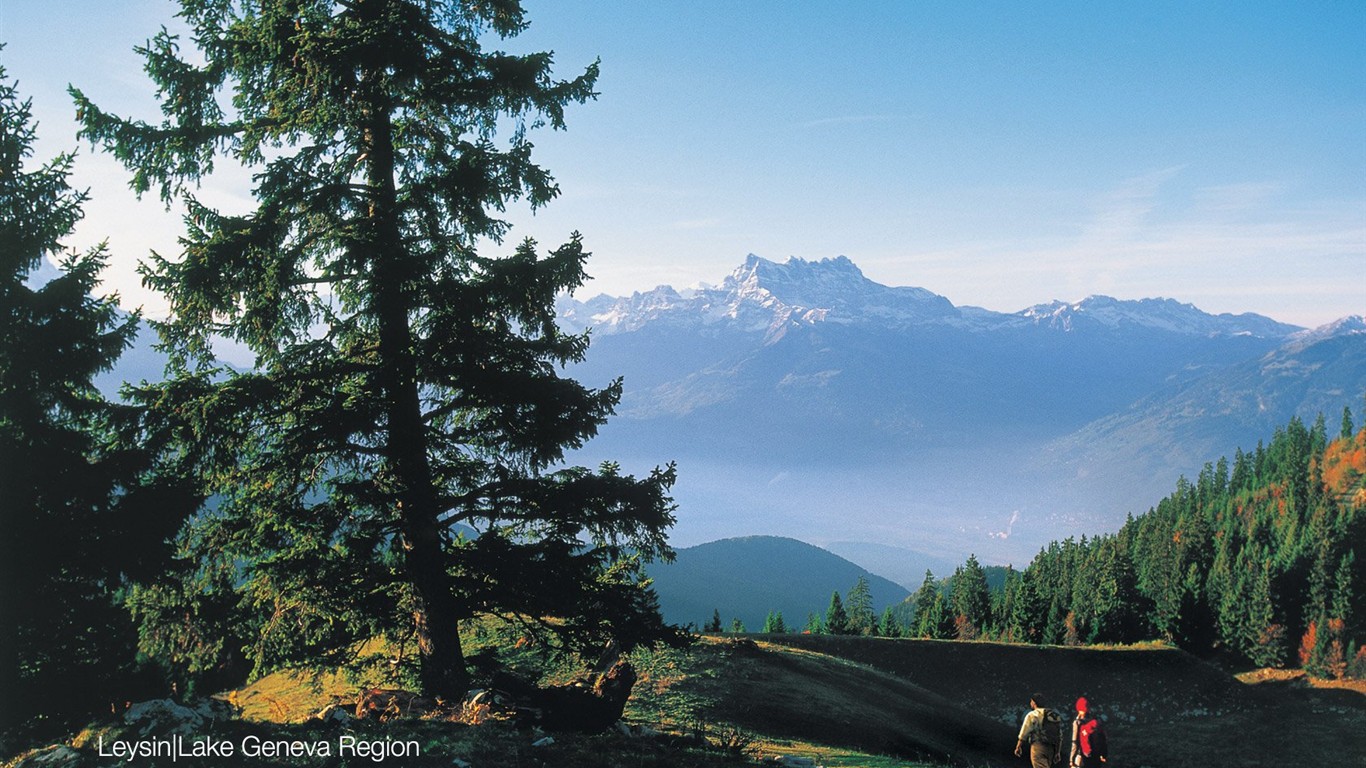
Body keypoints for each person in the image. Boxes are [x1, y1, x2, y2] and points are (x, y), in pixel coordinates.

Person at [1015, 693, 1063, 767]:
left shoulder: (1033, 715)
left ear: (1034, 702)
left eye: (1031, 701)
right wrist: (1057, 752)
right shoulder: (1053, 715)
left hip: (1038, 746)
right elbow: (1059, 735)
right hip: (1051, 748)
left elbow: (1024, 733)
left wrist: (1018, 746)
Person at [1070, 697, 1108, 767]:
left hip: (1082, 756)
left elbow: (1075, 743)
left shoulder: (1077, 722)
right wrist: (1103, 755)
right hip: (1096, 757)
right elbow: (1103, 739)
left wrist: (1071, 760)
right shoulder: (1095, 721)